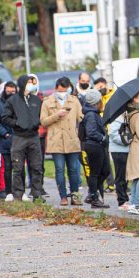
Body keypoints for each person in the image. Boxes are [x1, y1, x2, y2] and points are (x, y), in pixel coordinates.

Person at [40, 77, 84, 206]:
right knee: (59, 169)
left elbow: (81, 118)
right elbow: (43, 121)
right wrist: (56, 115)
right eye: (61, 90)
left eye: (66, 90)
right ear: (55, 89)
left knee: (74, 169)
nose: (63, 92)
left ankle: (75, 196)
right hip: (56, 140)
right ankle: (63, 196)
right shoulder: (47, 102)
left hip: (71, 139)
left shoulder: (74, 101)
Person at [2, 74, 44, 202]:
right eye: (29, 83)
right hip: (19, 137)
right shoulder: (12, 100)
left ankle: (37, 194)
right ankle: (18, 195)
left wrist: (37, 123)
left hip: (34, 136)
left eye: (33, 82)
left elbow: (41, 115)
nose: (32, 85)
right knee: (18, 167)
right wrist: (17, 123)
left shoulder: (36, 100)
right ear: (22, 84)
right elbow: (5, 117)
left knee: (37, 166)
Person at [80, 89, 110, 208]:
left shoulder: (93, 113)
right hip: (94, 145)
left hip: (96, 146)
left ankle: (92, 194)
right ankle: (93, 196)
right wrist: (102, 138)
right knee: (95, 173)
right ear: (96, 102)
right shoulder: (91, 115)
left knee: (105, 170)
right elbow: (91, 132)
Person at [0, 81, 17, 201]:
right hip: (3, 136)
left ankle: (16, 189)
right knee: (3, 163)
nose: (11, 93)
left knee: (17, 164)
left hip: (17, 137)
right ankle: (2, 188)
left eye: (13, 91)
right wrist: (4, 133)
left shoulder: (18, 102)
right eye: (8, 91)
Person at [108, 115, 130, 210]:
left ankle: (124, 196)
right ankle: (121, 201)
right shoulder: (116, 119)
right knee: (120, 175)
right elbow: (113, 134)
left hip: (126, 150)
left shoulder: (126, 118)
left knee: (125, 175)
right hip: (118, 150)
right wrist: (125, 141)